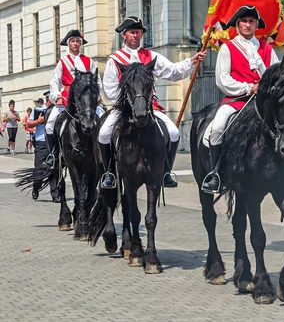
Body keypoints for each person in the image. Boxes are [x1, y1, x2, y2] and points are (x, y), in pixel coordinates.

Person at [99, 16, 206, 189]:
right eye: (132, 32)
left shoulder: (150, 56)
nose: (135, 36)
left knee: (173, 133)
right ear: (124, 35)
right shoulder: (115, 59)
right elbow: (110, 87)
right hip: (124, 108)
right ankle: (109, 172)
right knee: (104, 133)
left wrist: (191, 61)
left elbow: (172, 71)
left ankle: (166, 172)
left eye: (138, 32)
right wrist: (127, 103)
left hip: (149, 107)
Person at [202, 5, 280, 194]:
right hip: (236, 100)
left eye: (251, 21)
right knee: (218, 128)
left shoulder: (266, 48)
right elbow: (223, 79)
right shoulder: (228, 48)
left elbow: (276, 73)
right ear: (237, 25)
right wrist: (248, 88)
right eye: (244, 21)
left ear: (256, 25)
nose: (247, 25)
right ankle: (216, 174)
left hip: (263, 102)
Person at [45, 29, 102, 162]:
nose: (75, 44)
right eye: (73, 41)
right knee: (50, 123)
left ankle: (103, 154)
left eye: (77, 41)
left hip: (87, 99)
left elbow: (96, 80)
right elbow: (55, 81)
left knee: (102, 118)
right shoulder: (63, 62)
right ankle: (53, 154)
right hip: (67, 98)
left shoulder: (89, 61)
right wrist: (57, 96)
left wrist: (97, 97)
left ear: (80, 44)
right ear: (69, 44)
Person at [27, 95, 60, 202]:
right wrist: (38, 121)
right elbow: (29, 124)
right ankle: (36, 188)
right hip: (41, 144)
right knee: (39, 172)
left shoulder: (58, 111)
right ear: (49, 99)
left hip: (54, 143)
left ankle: (55, 195)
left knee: (54, 169)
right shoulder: (38, 110)